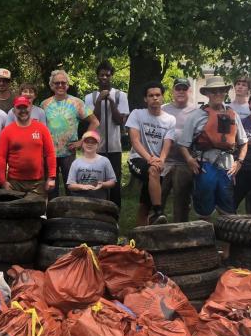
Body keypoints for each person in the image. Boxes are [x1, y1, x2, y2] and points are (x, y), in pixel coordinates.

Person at [178, 76, 248, 219]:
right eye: (214, 91)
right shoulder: (196, 116)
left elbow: (244, 142)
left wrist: (239, 162)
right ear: (207, 94)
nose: (217, 94)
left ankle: (226, 238)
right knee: (204, 206)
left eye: (221, 91)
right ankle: (205, 236)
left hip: (227, 166)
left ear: (225, 93)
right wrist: (190, 160)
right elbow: (183, 144)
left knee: (227, 207)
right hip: (205, 165)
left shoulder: (233, 115)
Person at [126, 81, 177, 226]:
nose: (155, 98)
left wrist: (161, 160)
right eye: (151, 95)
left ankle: (139, 233)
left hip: (158, 162)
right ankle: (159, 212)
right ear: (145, 99)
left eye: (157, 95)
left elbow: (167, 143)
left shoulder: (170, 120)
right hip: (137, 158)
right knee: (153, 171)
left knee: (145, 202)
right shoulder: (137, 114)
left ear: (162, 97)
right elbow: (135, 141)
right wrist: (150, 159)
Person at [41, 69, 98, 197]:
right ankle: (52, 215)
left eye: (63, 82)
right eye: (57, 83)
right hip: (49, 152)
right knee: (51, 189)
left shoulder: (77, 103)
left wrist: (82, 141)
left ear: (67, 85)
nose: (60, 85)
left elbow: (95, 122)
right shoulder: (44, 104)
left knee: (72, 187)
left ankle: (71, 214)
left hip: (69, 151)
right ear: (51, 85)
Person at [83, 61, 129, 209]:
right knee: (95, 179)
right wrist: (98, 101)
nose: (104, 78)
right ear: (97, 76)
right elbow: (94, 120)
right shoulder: (89, 97)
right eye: (101, 75)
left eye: (107, 75)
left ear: (111, 76)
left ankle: (115, 213)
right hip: (95, 147)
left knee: (114, 181)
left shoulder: (120, 95)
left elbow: (119, 120)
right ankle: (97, 210)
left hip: (115, 146)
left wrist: (110, 100)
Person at [0, 96, 57, 195]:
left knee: (38, 210)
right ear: (14, 111)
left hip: (38, 182)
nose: (23, 110)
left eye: (25, 107)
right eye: (19, 108)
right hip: (14, 183)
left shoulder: (42, 128)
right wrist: (3, 181)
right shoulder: (6, 131)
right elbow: (1, 157)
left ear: (30, 108)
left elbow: (50, 153)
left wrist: (51, 177)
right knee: (16, 210)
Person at [161, 77, 198, 222]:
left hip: (185, 163)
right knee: (158, 199)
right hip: (164, 162)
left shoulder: (197, 111)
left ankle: (180, 234)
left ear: (189, 91)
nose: (181, 92)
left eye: (184, 89)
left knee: (181, 202)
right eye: (178, 88)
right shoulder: (163, 109)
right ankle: (153, 233)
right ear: (173, 91)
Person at [66, 130, 117, 201]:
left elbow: (112, 181)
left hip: (100, 200)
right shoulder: (76, 163)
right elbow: (70, 185)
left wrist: (102, 184)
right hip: (80, 201)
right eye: (87, 141)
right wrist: (82, 187)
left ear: (98, 145)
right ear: (82, 144)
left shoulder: (105, 161)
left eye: (93, 142)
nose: (89, 144)